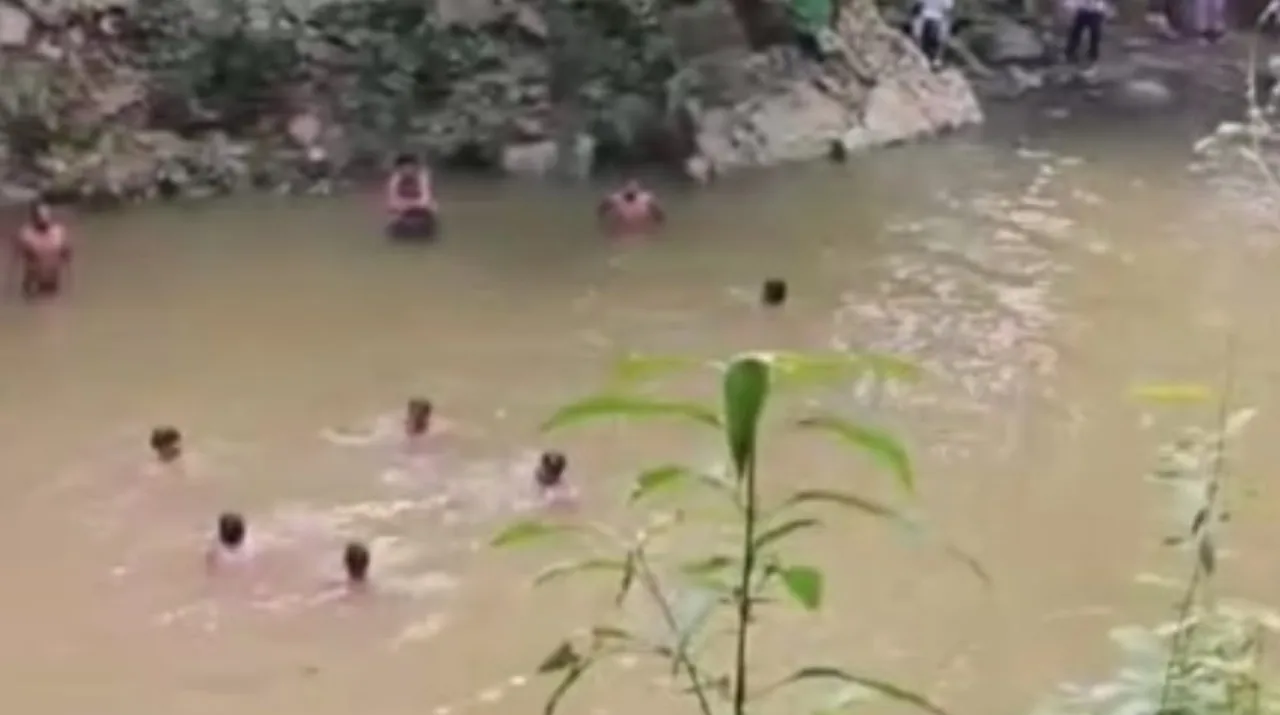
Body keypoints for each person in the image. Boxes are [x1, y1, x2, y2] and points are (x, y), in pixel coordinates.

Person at [10, 199, 71, 300]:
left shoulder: (59, 233)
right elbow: (15, 262)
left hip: (54, 285)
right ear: (33, 216)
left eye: (46, 213)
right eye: (40, 214)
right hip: (34, 287)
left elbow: (68, 259)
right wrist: (10, 290)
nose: (43, 217)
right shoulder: (26, 235)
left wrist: (69, 289)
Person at [384, 153, 437, 241]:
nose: (407, 170)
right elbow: (392, 199)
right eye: (404, 167)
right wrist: (403, 207)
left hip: (420, 206)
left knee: (432, 209)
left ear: (415, 167)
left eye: (410, 167)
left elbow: (426, 197)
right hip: (401, 207)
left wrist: (414, 205)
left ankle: (429, 234)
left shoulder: (423, 177)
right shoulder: (395, 179)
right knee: (393, 216)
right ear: (399, 169)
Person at [598, 179, 663, 235]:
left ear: (637, 193)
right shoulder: (616, 199)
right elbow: (602, 209)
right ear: (623, 192)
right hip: (621, 229)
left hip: (641, 228)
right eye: (628, 194)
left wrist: (657, 227)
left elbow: (659, 215)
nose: (630, 196)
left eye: (632, 193)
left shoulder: (646, 200)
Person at [1064, 0, 1110, 66]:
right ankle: (1070, 52)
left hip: (1096, 11)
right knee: (1076, 31)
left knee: (1095, 32)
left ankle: (1093, 53)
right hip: (1083, 9)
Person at [911, 0, 954, 69]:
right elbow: (947, 10)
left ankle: (932, 59)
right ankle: (935, 59)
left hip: (927, 18)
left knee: (920, 38)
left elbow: (917, 6)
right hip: (935, 19)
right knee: (940, 39)